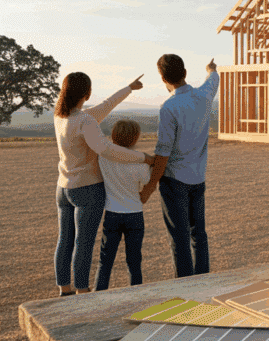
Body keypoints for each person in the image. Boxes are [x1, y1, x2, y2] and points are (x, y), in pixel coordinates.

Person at [53, 72, 157, 297]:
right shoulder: (85, 121)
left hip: (63, 187)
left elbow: (105, 106)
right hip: (87, 189)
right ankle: (82, 289)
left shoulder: (61, 116)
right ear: (87, 93)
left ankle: (65, 289)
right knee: (84, 243)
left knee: (65, 240)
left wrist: (128, 88)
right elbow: (106, 149)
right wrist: (143, 157)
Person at [140, 55, 219, 278]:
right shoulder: (204, 95)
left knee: (179, 238)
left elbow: (163, 153)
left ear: (163, 78)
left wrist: (149, 187)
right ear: (184, 73)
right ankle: (203, 280)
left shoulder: (168, 107)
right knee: (198, 235)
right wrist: (210, 68)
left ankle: (185, 286)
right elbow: (214, 78)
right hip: (198, 177)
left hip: (174, 179)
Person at [95, 119, 153, 291]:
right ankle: (135, 295)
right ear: (135, 138)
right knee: (134, 261)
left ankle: (98, 296)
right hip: (135, 213)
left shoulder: (103, 158)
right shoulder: (140, 163)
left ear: (113, 135)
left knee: (105, 261)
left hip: (112, 212)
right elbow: (147, 181)